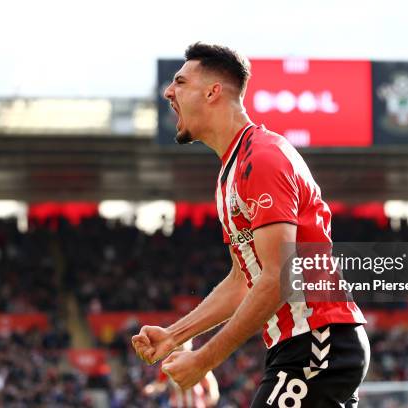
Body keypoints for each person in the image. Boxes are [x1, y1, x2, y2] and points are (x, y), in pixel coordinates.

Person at [132, 42, 370, 407]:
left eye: (180, 82)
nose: (168, 92)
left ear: (213, 91)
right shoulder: (231, 172)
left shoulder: (262, 158)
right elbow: (244, 280)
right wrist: (174, 336)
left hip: (318, 341)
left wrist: (203, 360)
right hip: (300, 345)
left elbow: (277, 278)